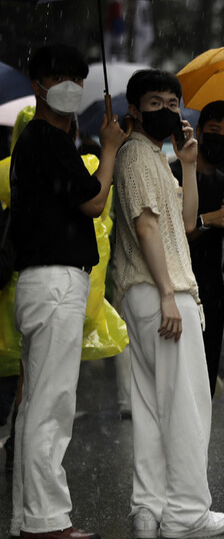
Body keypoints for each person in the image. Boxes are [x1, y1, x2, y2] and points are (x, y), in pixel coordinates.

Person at [9, 44, 128, 539]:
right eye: (60, 76)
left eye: (78, 77)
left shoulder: (43, 140)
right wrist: (112, 150)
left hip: (43, 281)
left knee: (38, 403)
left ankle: (29, 518)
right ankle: (48, 522)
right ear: (38, 85)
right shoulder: (47, 140)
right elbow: (95, 203)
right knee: (51, 406)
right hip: (56, 280)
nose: (71, 84)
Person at [112, 69, 224, 537]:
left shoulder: (154, 157)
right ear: (134, 110)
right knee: (185, 405)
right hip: (162, 290)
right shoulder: (136, 156)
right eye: (155, 103)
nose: (166, 110)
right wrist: (166, 294)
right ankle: (186, 514)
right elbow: (144, 226)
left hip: (150, 291)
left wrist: (187, 164)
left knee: (151, 406)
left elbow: (182, 223)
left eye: (172, 102)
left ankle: (149, 508)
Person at [171, 100, 224, 397]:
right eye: (215, 130)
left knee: (205, 382)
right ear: (198, 130)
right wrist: (207, 220)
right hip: (176, 291)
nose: (222, 137)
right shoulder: (173, 174)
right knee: (176, 383)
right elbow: (168, 237)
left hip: (212, 296)